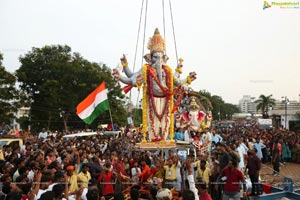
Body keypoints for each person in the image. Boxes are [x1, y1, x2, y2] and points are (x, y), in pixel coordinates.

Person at [113, 28, 197, 141]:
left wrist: (187, 80)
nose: (158, 60)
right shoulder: (146, 69)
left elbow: (177, 82)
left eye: (161, 57)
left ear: (164, 58)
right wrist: (121, 74)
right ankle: (153, 139)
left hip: (165, 100)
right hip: (151, 100)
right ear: (150, 58)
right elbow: (132, 79)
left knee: (165, 122)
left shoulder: (168, 70)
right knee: (152, 124)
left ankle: (164, 138)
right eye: (155, 57)